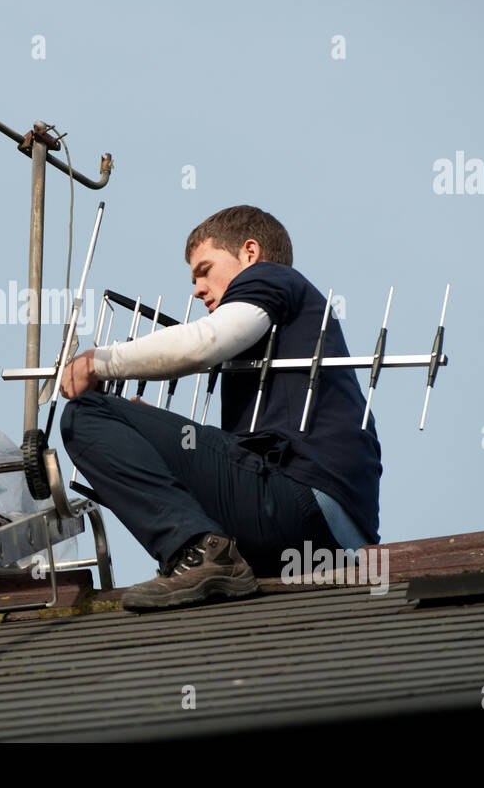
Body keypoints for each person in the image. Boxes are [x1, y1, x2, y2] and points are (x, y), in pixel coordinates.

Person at [58, 205, 382, 612]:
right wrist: (148, 434)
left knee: (85, 417)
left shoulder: (271, 277)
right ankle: (210, 557)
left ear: (249, 253)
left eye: (205, 269)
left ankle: (199, 554)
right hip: (332, 540)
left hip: (301, 505)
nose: (196, 289)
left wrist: (97, 362)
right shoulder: (287, 330)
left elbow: (204, 343)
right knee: (124, 424)